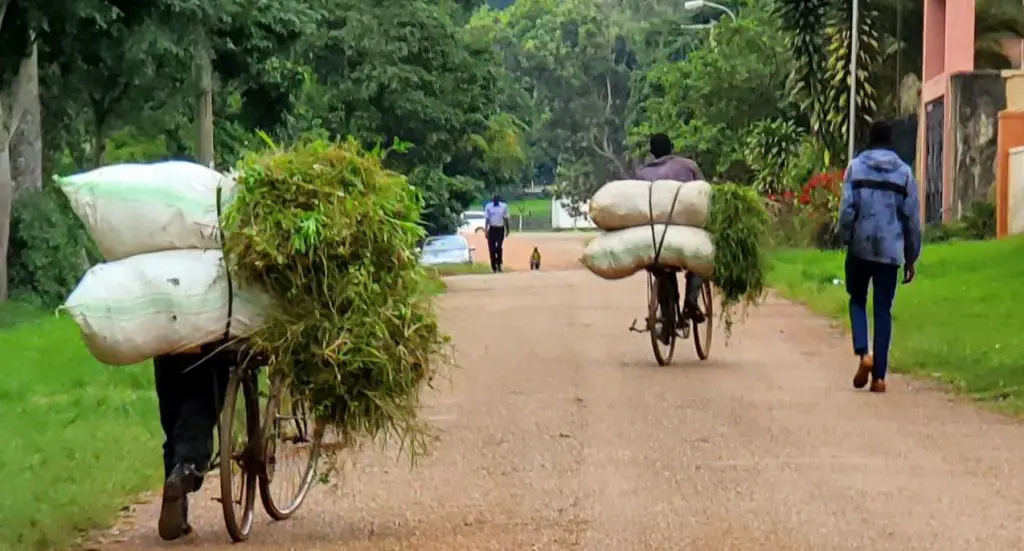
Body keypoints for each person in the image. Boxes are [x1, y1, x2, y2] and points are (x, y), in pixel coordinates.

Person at [838, 120, 922, 394]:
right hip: (890, 251)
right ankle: (880, 378)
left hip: (860, 246)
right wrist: (911, 257)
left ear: (869, 140)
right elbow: (912, 220)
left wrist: (845, 237)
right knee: (883, 310)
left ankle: (864, 354)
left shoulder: (855, 168)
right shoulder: (905, 174)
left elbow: (847, 210)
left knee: (857, 299)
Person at [154, 344, 234, 540]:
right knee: (200, 409)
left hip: (164, 339)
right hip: (206, 344)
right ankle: (185, 472)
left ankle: (177, 505)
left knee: (173, 425)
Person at [634, 133, 706, 343]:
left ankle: (668, 322)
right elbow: (704, 194)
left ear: (651, 152)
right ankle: (691, 302)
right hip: (686, 231)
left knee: (661, 271)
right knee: (699, 260)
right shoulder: (689, 166)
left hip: (657, 237)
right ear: (672, 147)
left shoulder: (642, 174)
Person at [484, 194, 510, 273]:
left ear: (499, 199)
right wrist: (486, 230)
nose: (495, 200)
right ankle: (493, 266)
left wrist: (507, 229)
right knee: (491, 249)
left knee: (498, 247)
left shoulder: (504, 206)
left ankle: (499, 263)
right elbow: (487, 219)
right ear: (492, 199)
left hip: (500, 229)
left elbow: (505, 218)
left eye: (496, 199)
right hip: (492, 229)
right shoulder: (488, 206)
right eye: (494, 199)